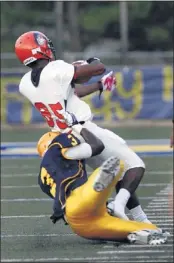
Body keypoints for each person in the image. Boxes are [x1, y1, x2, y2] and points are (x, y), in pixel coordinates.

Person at [15, 31, 150, 222]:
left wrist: (98, 86)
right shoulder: (56, 69)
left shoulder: (25, 83)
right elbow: (97, 69)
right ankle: (116, 206)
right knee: (135, 165)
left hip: (63, 136)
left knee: (117, 173)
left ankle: (141, 218)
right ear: (41, 49)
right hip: (84, 131)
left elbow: (69, 92)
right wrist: (92, 61)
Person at [37, 123, 168, 245]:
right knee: (118, 164)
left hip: (79, 224)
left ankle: (135, 234)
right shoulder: (60, 149)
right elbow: (97, 146)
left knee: (145, 229)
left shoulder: (42, 178)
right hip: (80, 200)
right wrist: (79, 128)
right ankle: (102, 183)